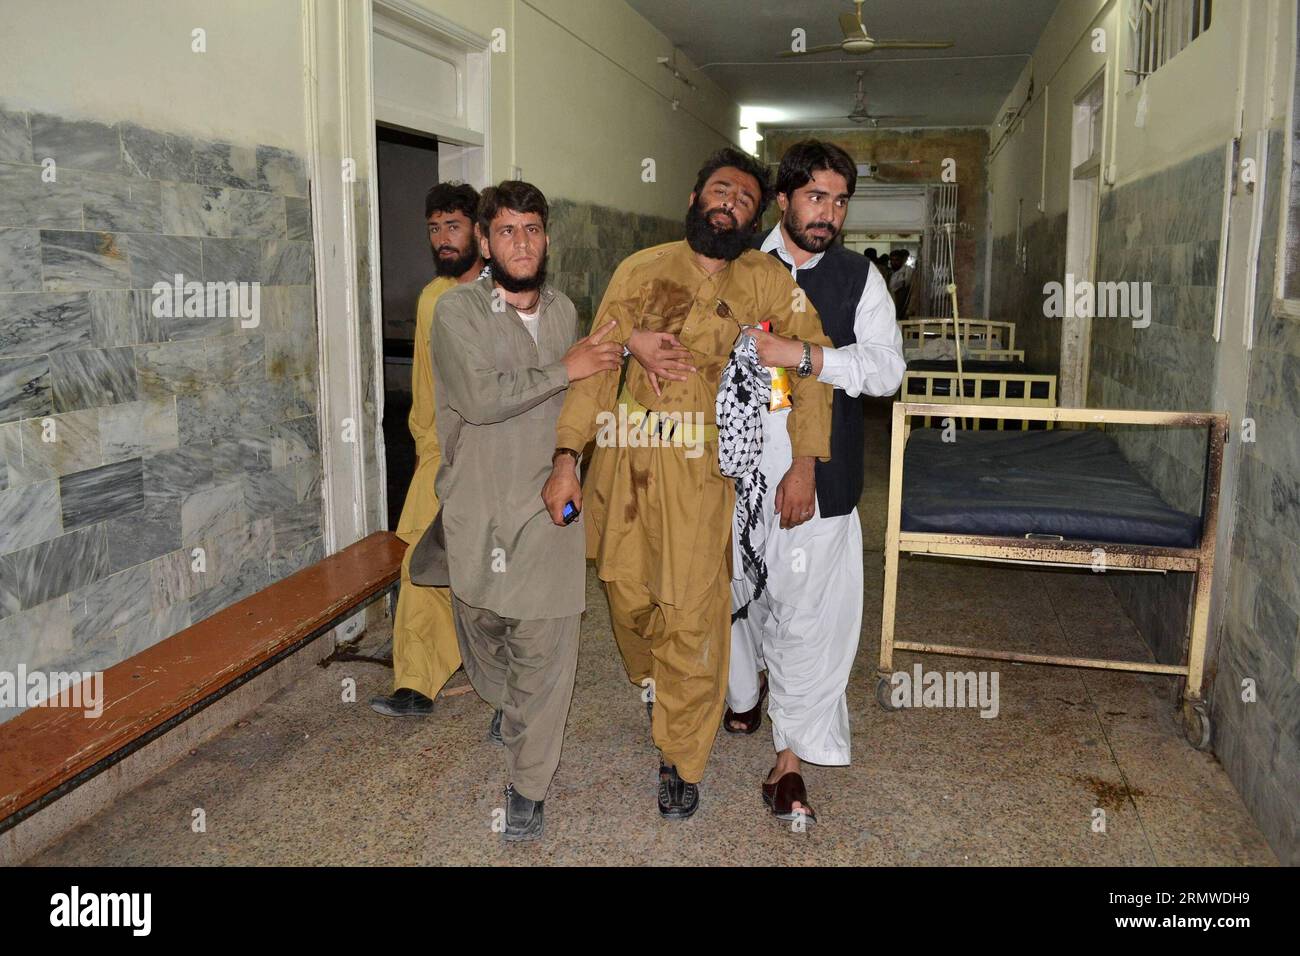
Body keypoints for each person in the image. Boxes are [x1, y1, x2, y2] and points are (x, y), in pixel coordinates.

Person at [542, 148, 833, 821]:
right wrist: (567, 455)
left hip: (703, 474)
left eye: (744, 199)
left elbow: (814, 365)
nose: (729, 203)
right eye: (720, 189)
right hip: (626, 463)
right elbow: (592, 367)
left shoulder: (768, 282)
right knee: (628, 599)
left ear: (755, 217)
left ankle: (682, 754)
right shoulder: (640, 270)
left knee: (694, 613)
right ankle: (653, 681)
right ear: (696, 193)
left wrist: (804, 462)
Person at [411, 181, 622, 841]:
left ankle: (528, 786)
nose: (521, 243)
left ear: (547, 238)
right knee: (482, 633)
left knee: (547, 649)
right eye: (506, 230)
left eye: (532, 229)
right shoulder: (457, 313)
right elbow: (478, 399)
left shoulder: (564, 310)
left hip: (548, 508)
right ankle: (506, 701)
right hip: (477, 511)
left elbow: (584, 397)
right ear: (484, 240)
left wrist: (573, 457)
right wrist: (568, 367)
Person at [725, 140, 905, 823]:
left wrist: (806, 355)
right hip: (734, 483)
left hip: (819, 483)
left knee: (808, 623)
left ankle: (790, 763)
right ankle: (745, 695)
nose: (827, 213)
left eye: (839, 201)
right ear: (784, 199)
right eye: (815, 197)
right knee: (734, 605)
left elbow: (887, 371)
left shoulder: (859, 279)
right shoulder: (739, 267)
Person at [371, 182, 485, 719]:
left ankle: (498, 678)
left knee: (488, 570)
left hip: (491, 458)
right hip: (440, 456)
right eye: (434, 229)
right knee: (420, 560)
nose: (442, 238)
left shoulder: (502, 295)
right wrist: (424, 449)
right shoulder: (431, 297)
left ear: (478, 232)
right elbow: (423, 382)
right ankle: (414, 683)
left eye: (453, 227)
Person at [888, 248, 914, 319]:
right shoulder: (889, 273)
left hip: (902, 306)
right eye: (892, 260)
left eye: (896, 260)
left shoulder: (908, 271)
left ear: (902, 260)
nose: (894, 262)